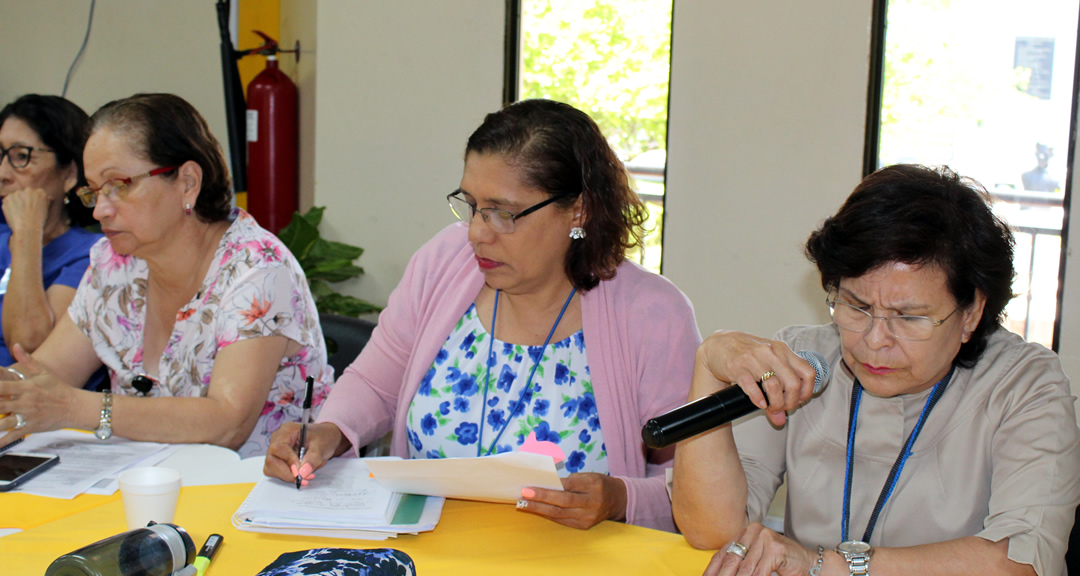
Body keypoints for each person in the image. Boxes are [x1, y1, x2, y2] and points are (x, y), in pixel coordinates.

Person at [264, 99, 700, 531]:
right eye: (472, 205)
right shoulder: (443, 262)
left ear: (578, 211)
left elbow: (692, 485)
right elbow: (377, 383)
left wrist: (619, 499)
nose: (476, 232)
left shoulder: (653, 314)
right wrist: (328, 432)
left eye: (503, 214)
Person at [671, 164, 1080, 576]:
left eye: (908, 317)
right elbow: (713, 531)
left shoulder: (1025, 385)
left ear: (971, 311)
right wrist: (708, 367)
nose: (874, 340)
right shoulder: (802, 359)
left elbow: (1020, 563)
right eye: (857, 306)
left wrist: (824, 565)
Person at [0, 93, 331, 457]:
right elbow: (47, 371)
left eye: (118, 186)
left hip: (255, 495)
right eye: (94, 192)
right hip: (141, 487)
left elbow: (227, 421)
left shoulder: (257, 269)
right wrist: (12, 388)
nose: (101, 211)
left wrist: (78, 408)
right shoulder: (115, 263)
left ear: (187, 182)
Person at [0, 95, 101, 368]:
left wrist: (27, 234)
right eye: (0, 156)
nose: (3, 174)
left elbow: (28, 347)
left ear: (70, 172)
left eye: (21, 156)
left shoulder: (93, 255)